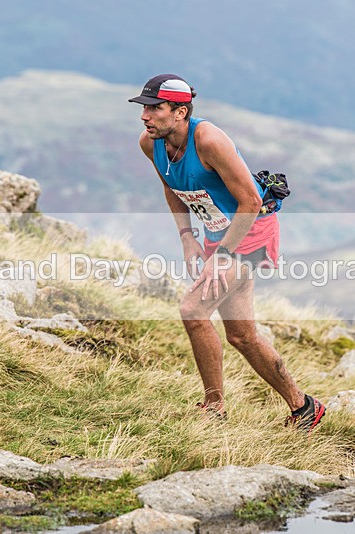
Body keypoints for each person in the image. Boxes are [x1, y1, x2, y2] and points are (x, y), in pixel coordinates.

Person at [129, 74, 325, 432]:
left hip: (249, 231)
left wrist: (224, 255)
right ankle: (304, 408)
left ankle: (214, 408)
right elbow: (171, 187)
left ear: (180, 111)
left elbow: (250, 201)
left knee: (193, 308)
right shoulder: (150, 142)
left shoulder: (208, 140)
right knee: (241, 336)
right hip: (217, 234)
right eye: (144, 108)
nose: (145, 116)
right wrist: (187, 236)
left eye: (154, 108)